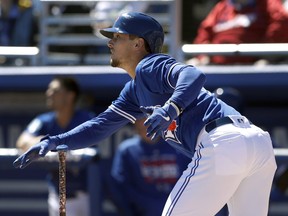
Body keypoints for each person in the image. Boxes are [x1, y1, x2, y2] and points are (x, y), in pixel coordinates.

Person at [14, 12, 277, 215]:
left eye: (117, 37)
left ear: (139, 43)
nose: (110, 42)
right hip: (257, 143)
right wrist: (54, 140)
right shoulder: (133, 91)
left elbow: (193, 74)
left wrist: (170, 108)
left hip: (224, 140)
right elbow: (99, 126)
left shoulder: (150, 65)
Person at [16, 76, 95, 216]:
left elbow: (92, 142)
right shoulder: (43, 121)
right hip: (58, 195)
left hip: (86, 195)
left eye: (55, 91)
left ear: (70, 96)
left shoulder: (86, 119)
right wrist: (47, 141)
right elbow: (22, 141)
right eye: (49, 90)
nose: (49, 94)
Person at [110, 117, 190, 216]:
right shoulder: (127, 150)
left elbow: (192, 181)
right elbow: (121, 188)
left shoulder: (178, 146)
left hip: (179, 210)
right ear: (135, 123)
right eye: (141, 119)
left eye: (148, 118)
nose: (145, 123)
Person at [187, 0, 288, 65]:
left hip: (252, 67)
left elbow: (281, 23)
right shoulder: (222, 7)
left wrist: (264, 55)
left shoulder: (267, 4)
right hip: (216, 66)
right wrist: (203, 56)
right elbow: (205, 32)